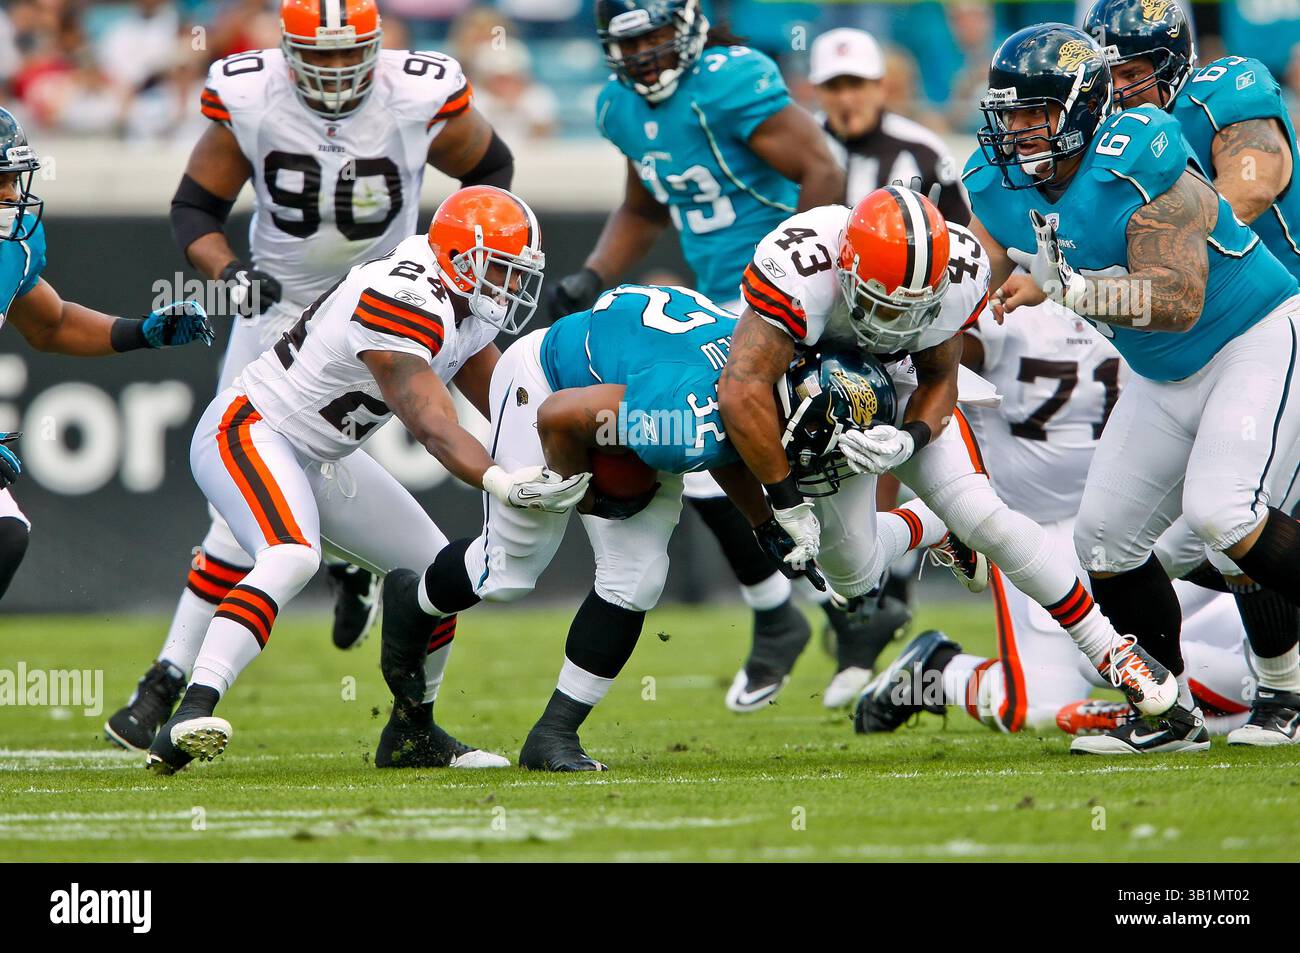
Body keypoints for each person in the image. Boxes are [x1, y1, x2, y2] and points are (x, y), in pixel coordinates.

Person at [105, 0, 518, 754]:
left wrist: (441, 256)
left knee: (318, 503)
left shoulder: (419, 94)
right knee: (250, 518)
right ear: (287, 50)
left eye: (345, 55)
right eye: (315, 57)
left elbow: (491, 172)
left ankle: (398, 704)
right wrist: (230, 272)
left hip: (391, 303)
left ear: (377, 45)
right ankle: (174, 680)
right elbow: (196, 207)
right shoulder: (251, 92)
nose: (331, 72)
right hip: (282, 309)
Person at [377, 282, 944, 770]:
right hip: (552, 382)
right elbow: (566, 416)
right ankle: (415, 597)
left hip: (650, 374)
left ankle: (553, 736)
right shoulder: (683, 416)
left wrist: (765, 522)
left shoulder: (764, 377)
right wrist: (582, 485)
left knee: (638, 573)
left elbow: (738, 436)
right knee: (507, 572)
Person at [145, 186, 585, 775]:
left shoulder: (463, 299)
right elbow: (432, 423)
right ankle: (190, 709)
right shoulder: (402, 293)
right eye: (501, 271)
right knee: (291, 554)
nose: (509, 288)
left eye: (516, 274)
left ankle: (413, 734)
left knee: (440, 575)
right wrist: (501, 480)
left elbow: (503, 401)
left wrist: (562, 453)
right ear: (459, 259)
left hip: (325, 455)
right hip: (252, 428)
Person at [715, 184, 1180, 735]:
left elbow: (939, 377)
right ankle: (930, 527)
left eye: (911, 311)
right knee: (852, 580)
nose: (893, 325)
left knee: (985, 515)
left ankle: (1111, 652)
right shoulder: (800, 266)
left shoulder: (959, 274)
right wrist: (784, 502)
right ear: (846, 269)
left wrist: (909, 438)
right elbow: (741, 387)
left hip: (906, 380)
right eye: (883, 306)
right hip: (816, 392)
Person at [964, 24, 1300, 754]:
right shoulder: (990, 183)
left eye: (1034, 114)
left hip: (1251, 338)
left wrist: (1078, 291)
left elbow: (1179, 296)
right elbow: (973, 270)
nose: (1017, 133)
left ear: (1084, 107)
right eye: (1008, 115)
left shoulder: (1139, 150)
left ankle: (1285, 687)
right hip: (1159, 372)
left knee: (1223, 513)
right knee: (1105, 541)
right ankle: (1168, 711)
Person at [546, 0, 862, 713]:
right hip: (719, 300)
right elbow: (646, 208)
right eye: (631, 44)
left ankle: (839, 603)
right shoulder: (618, 106)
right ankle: (794, 608)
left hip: (777, 296)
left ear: (687, 27)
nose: (646, 56)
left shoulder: (729, 79)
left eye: (657, 37)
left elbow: (822, 170)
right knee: (695, 452)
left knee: (758, 451)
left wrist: (799, 281)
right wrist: (593, 273)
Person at [859, 289, 1254, 738]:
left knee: (1207, 665)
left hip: (1136, 524)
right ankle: (936, 674)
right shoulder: (1004, 306)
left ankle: (1223, 706)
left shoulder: (1134, 293)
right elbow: (928, 365)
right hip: (1031, 528)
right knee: (1036, 708)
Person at [1082, 0, 1300, 745]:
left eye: (1133, 71)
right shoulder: (1113, 144)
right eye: (1106, 72)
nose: (1118, 86)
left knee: (1227, 517)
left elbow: (1257, 171)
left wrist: (1192, 228)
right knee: (1148, 545)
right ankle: (1182, 703)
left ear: (1172, 63)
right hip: (1217, 346)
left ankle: (1284, 693)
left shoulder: (1225, 92)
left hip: (1276, 324)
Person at [0, 107, 213, 603]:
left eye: (12, 179)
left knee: (6, 534)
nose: (11, 195)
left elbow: (50, 323)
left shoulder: (12, 248)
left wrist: (143, 332)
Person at [811, 27, 969, 218]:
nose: (845, 99)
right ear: (817, 91)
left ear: (880, 86)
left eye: (856, 84)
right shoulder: (800, 146)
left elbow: (961, 234)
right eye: (833, 87)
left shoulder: (924, 151)